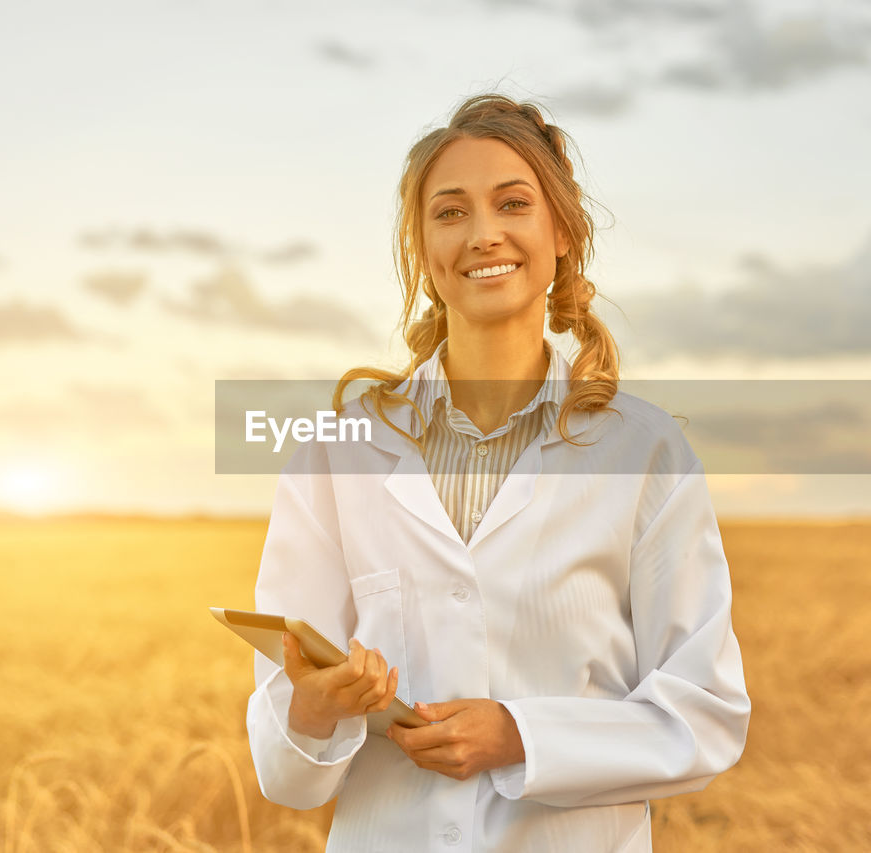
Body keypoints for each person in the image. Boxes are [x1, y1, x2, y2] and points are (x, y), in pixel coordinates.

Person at [245, 92, 750, 852]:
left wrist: (522, 735)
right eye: (450, 213)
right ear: (421, 249)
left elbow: (704, 712)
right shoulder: (335, 453)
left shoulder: (644, 454)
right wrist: (315, 710)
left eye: (512, 204)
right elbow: (285, 775)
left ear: (561, 234)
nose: (483, 234)